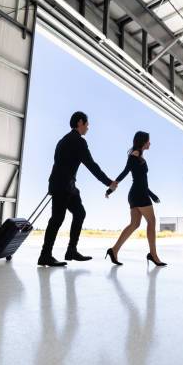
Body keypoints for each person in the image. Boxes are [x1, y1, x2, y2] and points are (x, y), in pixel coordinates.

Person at [38, 111, 118, 267]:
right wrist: (109, 182)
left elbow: (59, 165)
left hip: (64, 185)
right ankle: (45, 255)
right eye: (87, 124)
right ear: (80, 122)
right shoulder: (78, 141)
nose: (88, 127)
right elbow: (91, 165)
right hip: (63, 186)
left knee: (79, 213)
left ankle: (71, 251)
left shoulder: (62, 141)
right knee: (57, 219)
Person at [105, 131, 166, 266]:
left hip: (137, 193)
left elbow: (141, 180)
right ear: (143, 141)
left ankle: (114, 250)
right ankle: (153, 255)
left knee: (135, 224)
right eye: (148, 141)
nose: (150, 143)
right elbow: (125, 172)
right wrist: (111, 187)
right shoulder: (135, 155)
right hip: (139, 194)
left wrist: (152, 194)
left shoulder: (139, 155)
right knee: (152, 221)